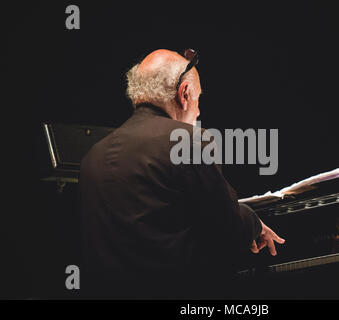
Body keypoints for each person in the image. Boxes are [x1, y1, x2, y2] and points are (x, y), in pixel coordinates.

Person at [79, 49, 284, 298]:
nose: (198, 113)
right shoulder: (188, 141)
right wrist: (253, 222)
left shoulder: (93, 156)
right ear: (184, 94)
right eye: (198, 99)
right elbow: (227, 228)